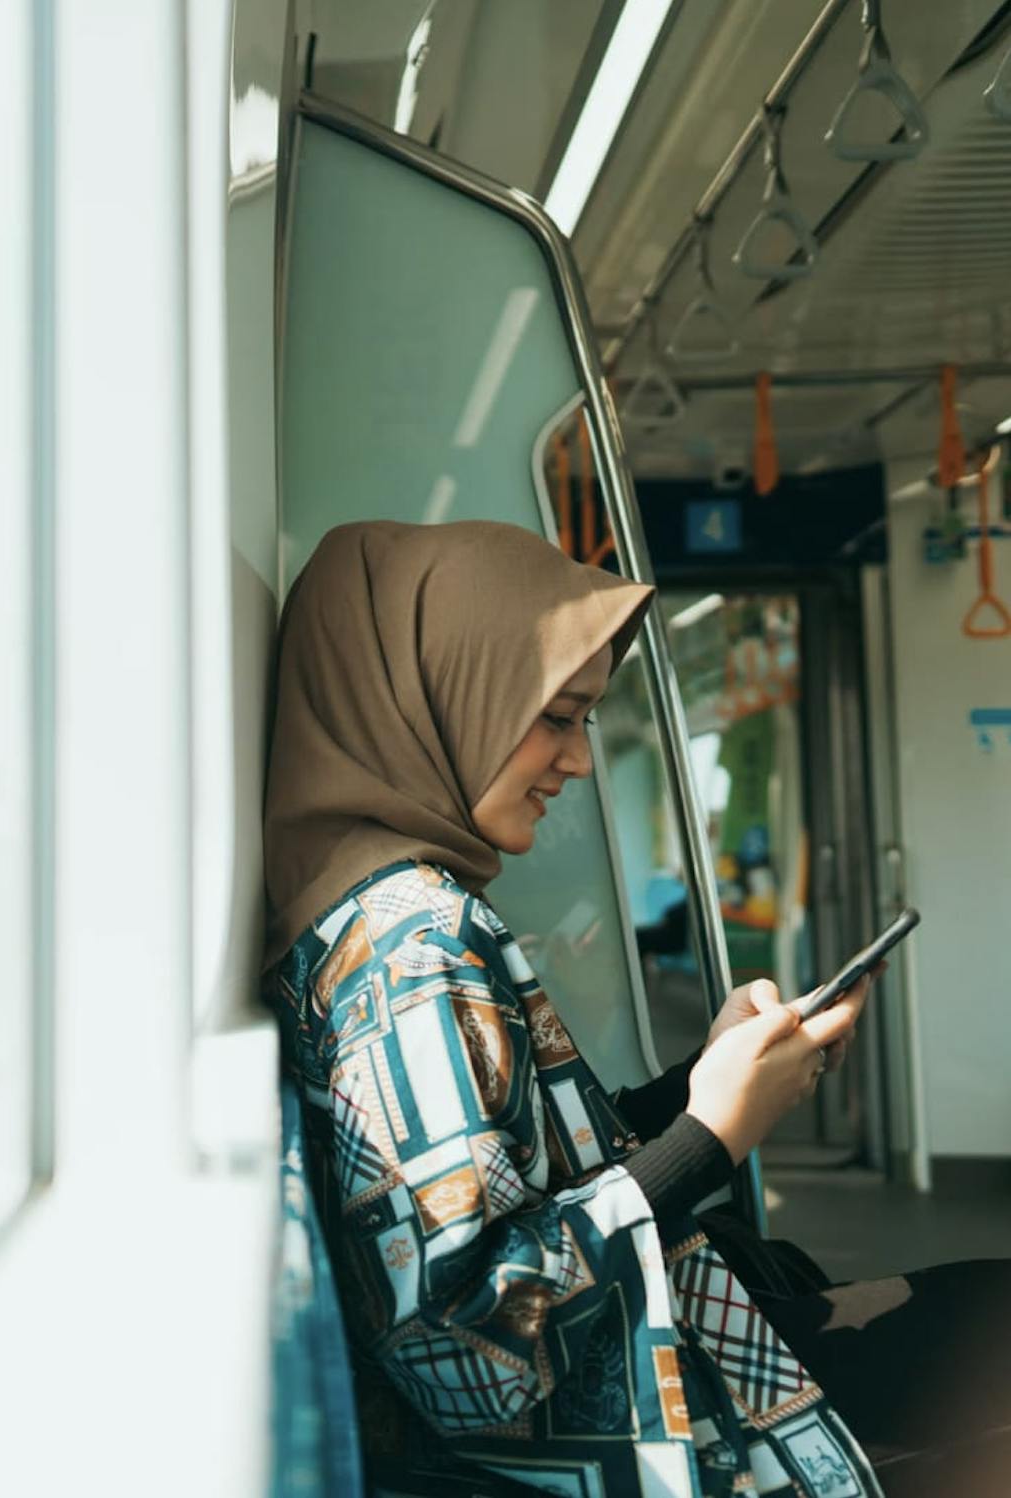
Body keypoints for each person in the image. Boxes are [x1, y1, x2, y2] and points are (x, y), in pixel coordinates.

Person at [263, 520, 1011, 1497]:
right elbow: (463, 1351)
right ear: (441, 699)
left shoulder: (346, 916)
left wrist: (693, 1086)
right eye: (555, 717)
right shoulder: (422, 951)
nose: (573, 761)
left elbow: (512, 1172)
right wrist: (708, 1133)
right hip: (636, 1426)